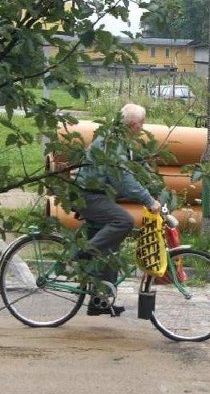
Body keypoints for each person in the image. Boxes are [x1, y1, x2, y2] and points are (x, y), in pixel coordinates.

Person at [74, 103, 161, 316]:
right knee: (124, 222)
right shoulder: (113, 143)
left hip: (97, 195)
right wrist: (149, 200)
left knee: (111, 246)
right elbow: (122, 179)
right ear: (132, 125)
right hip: (89, 196)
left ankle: (100, 301)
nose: (143, 127)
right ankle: (84, 253)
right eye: (142, 123)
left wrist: (152, 189)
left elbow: (132, 171)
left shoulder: (119, 140)